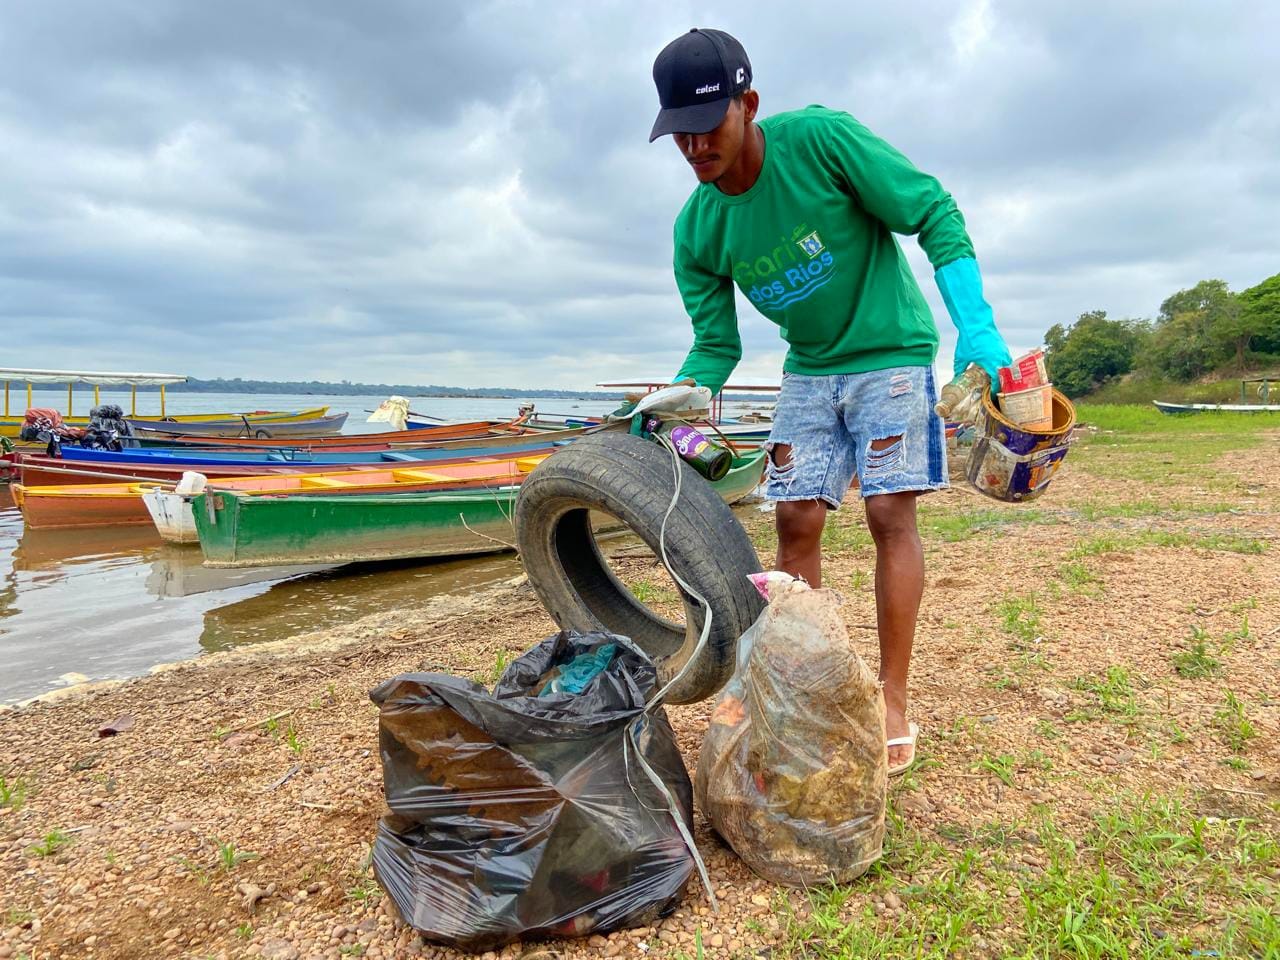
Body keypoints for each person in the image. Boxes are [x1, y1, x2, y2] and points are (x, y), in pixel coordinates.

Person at [649, 28, 1011, 774]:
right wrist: (676, 402)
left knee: (887, 512)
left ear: (748, 105)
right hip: (810, 368)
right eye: (678, 134)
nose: (694, 149)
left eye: (706, 127)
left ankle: (894, 696)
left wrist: (977, 330)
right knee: (795, 518)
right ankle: (805, 682)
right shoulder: (697, 228)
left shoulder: (821, 141)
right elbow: (715, 346)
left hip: (892, 351)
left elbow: (933, 211)